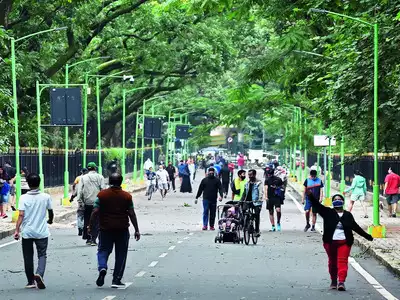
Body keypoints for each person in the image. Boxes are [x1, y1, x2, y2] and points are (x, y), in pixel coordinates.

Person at [306, 190, 373, 291]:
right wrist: (310, 195)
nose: (337, 201)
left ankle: (341, 281)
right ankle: (333, 281)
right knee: (332, 262)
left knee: (342, 261)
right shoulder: (327, 212)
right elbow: (317, 205)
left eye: (339, 199)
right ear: (333, 202)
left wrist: (367, 236)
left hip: (345, 242)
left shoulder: (348, 215)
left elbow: (356, 227)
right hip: (330, 242)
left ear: (343, 202)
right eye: (335, 199)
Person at [89, 173, 141, 289]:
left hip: (105, 229)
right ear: (121, 182)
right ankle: (116, 279)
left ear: (109, 181)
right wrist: (136, 229)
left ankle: (102, 267)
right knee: (121, 254)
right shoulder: (126, 196)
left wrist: (90, 226)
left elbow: (95, 211)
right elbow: (131, 213)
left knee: (103, 250)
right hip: (122, 229)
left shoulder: (102, 195)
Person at [14, 173, 54, 290]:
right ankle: (39, 274)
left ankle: (30, 281)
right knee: (42, 254)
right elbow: (50, 211)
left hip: (27, 232)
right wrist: (50, 220)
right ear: (39, 182)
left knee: (28, 256)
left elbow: (21, 215)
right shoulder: (45, 197)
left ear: (28, 183)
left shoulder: (23, 198)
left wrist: (17, 230)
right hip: (42, 231)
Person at [76, 162, 106, 246]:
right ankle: (94, 239)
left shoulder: (83, 178)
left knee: (87, 220)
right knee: (97, 221)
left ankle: (88, 238)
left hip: (87, 202)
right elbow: (103, 190)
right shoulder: (100, 177)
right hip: (98, 202)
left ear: (88, 169)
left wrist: (80, 201)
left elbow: (80, 191)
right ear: (95, 168)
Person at [240, 169, 263, 237]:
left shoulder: (259, 183)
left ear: (254, 175)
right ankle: (247, 225)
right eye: (249, 175)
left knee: (256, 215)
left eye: (251, 175)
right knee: (243, 210)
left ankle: (257, 230)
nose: (250, 176)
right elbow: (244, 193)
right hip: (248, 201)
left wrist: (259, 199)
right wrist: (241, 201)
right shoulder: (247, 183)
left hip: (256, 202)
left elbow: (261, 192)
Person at [70, 168, 89, 236]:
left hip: (81, 201)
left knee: (80, 215)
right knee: (88, 215)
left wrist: (72, 197)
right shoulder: (89, 179)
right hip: (89, 201)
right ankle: (86, 229)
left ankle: (80, 228)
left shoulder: (79, 178)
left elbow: (75, 187)